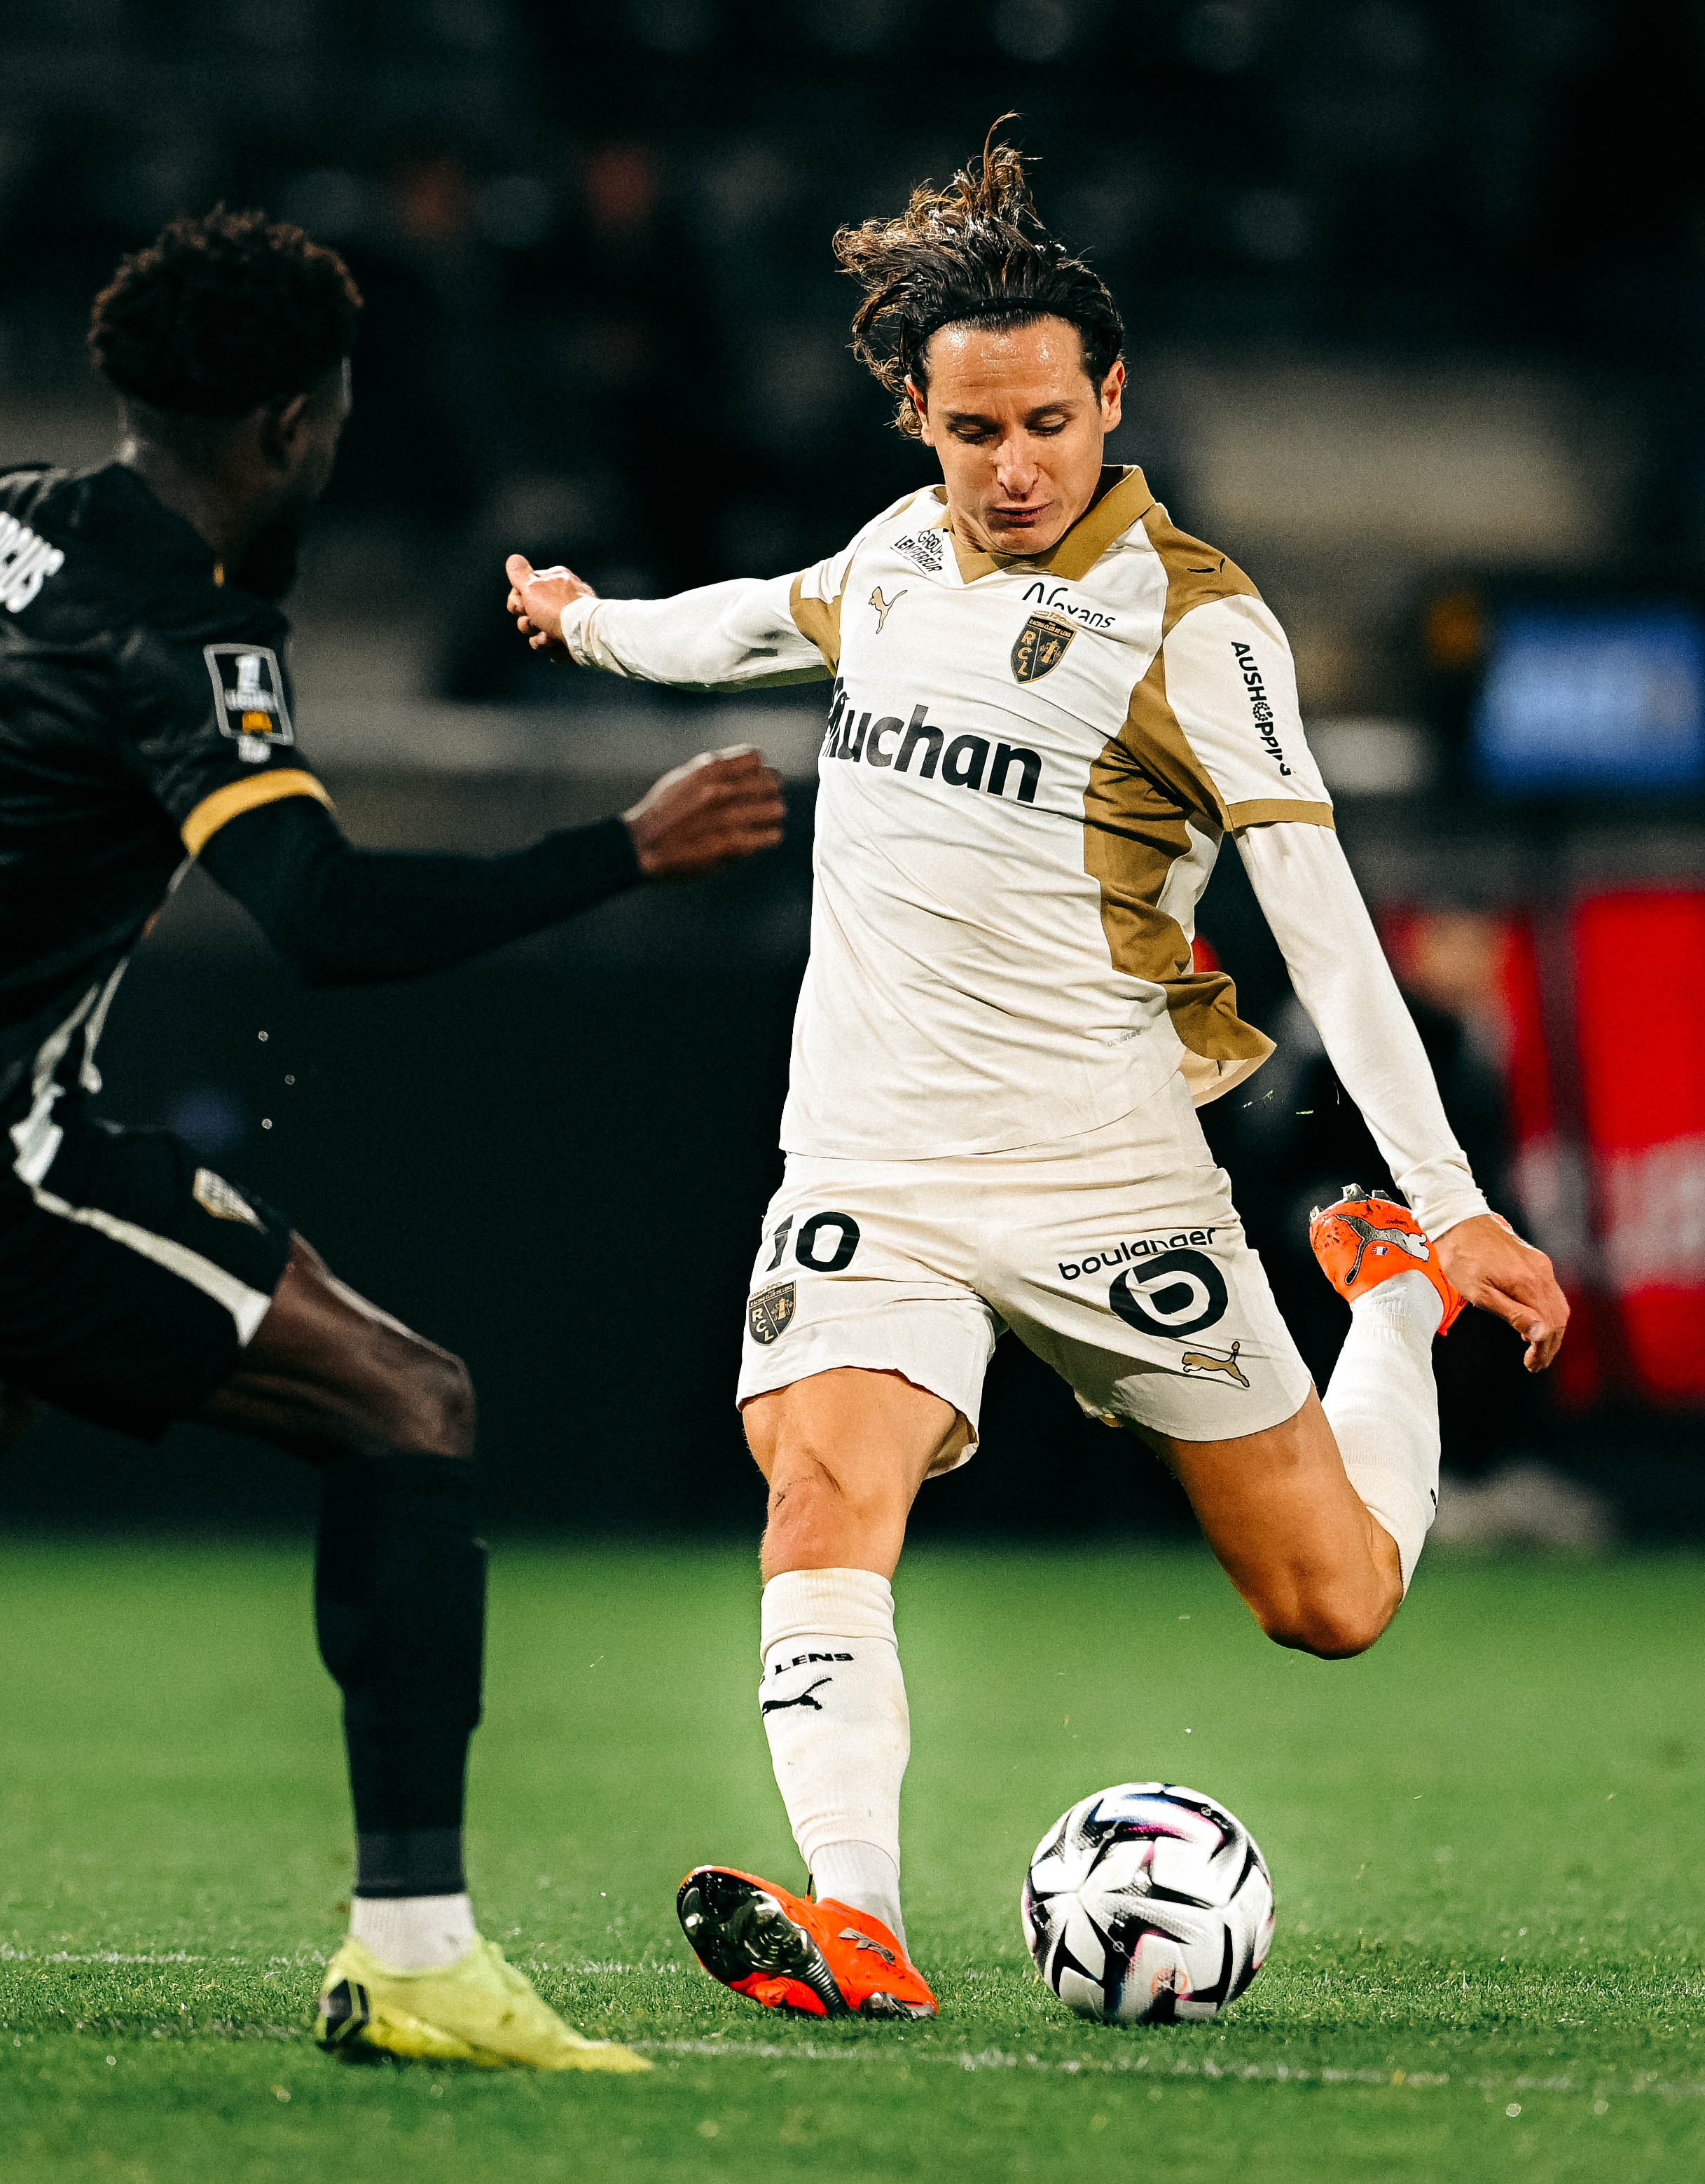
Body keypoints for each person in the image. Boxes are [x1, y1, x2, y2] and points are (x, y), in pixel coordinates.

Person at [0, 209, 785, 2071]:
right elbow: (327, 920)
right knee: (408, 1403)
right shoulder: (183, 633)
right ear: (295, 426)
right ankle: (416, 1955)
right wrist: (618, 851)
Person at [503, 132, 1571, 2021]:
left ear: (1113, 402)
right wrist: (587, 622)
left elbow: (1315, 911)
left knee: (1329, 1604)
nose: (1014, 471)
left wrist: (1461, 1206)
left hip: (1110, 1186)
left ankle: (1384, 1303)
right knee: (821, 1500)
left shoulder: (1196, 620)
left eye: (1052, 427)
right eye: (975, 430)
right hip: (871, 1160)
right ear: (917, 412)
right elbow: (747, 620)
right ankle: (859, 1928)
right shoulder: (900, 554)